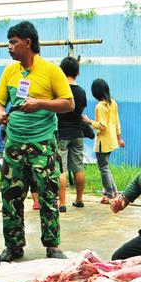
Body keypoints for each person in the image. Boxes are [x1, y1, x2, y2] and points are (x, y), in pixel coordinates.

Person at [0, 20, 74, 261]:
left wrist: (40, 103)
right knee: (10, 196)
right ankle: (14, 246)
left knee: (48, 195)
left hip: (42, 143)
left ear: (28, 43)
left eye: (13, 42)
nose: (9, 47)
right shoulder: (10, 71)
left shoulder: (51, 71)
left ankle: (52, 245)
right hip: (14, 143)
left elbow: (69, 103)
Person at [57, 56, 87, 212]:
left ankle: (61, 203)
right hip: (77, 133)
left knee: (61, 169)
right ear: (77, 72)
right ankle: (79, 199)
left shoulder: (59, 91)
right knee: (78, 167)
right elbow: (80, 112)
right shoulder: (81, 92)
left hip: (61, 133)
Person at [86, 78, 123, 204]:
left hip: (103, 141)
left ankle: (110, 195)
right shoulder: (113, 103)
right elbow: (117, 123)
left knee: (103, 168)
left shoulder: (100, 106)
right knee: (106, 167)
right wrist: (119, 138)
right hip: (112, 140)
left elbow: (101, 126)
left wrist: (88, 121)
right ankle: (114, 192)